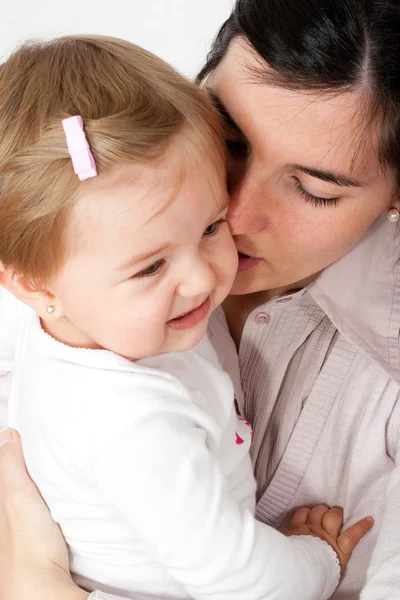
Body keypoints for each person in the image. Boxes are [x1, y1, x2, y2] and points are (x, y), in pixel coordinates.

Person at [1, 0, 400, 597]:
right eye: (230, 139)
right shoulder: (86, 226)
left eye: (313, 190)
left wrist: (36, 585)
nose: (230, 211)